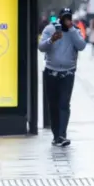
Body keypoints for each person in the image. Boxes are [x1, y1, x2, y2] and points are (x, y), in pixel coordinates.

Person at [38, 8, 87, 147]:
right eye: (64, 18)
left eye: (68, 18)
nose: (66, 21)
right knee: (53, 105)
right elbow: (41, 47)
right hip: (51, 72)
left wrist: (71, 30)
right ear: (59, 18)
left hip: (68, 73)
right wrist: (51, 39)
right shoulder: (50, 29)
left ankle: (62, 135)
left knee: (64, 104)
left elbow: (82, 46)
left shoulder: (74, 31)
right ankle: (56, 135)